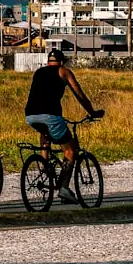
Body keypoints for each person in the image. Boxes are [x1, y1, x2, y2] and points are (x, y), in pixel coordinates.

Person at [24, 49, 103, 203]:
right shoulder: (63, 71)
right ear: (62, 61)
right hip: (50, 115)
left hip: (30, 115)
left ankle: (44, 164)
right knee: (70, 149)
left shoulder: (39, 72)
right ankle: (64, 188)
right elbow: (79, 95)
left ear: (48, 61)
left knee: (45, 132)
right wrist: (92, 112)